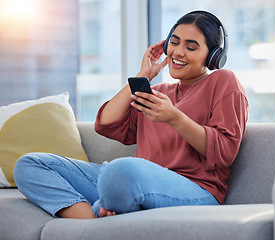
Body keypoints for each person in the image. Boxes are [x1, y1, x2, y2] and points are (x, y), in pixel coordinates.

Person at [14, 10, 248, 219]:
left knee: (120, 171)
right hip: (130, 182)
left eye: (191, 47)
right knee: (29, 165)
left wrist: (173, 117)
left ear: (213, 56)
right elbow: (106, 123)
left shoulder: (223, 81)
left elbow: (224, 152)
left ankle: (106, 207)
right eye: (174, 43)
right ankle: (92, 221)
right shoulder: (158, 92)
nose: (178, 52)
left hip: (194, 190)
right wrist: (143, 75)